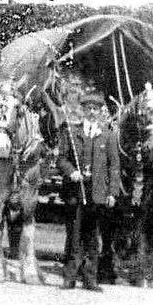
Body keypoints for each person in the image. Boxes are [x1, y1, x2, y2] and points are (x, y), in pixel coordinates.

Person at [56, 90, 120, 291]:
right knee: (74, 236)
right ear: (83, 110)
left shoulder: (108, 136)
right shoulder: (72, 133)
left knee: (93, 237)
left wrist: (112, 192)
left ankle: (90, 279)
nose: (92, 112)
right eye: (88, 108)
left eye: (95, 109)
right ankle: (70, 277)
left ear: (100, 112)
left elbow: (114, 166)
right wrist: (72, 172)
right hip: (76, 192)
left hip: (97, 194)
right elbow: (61, 159)